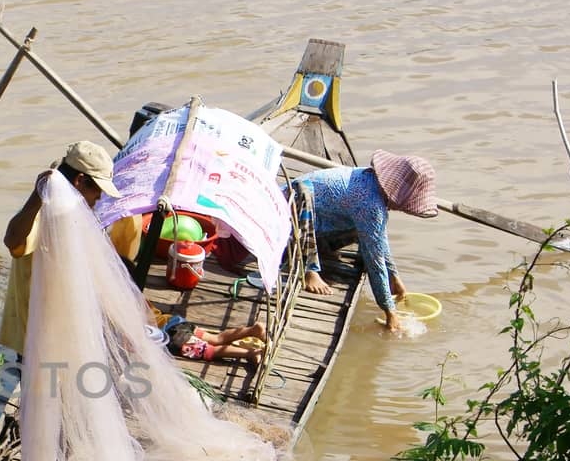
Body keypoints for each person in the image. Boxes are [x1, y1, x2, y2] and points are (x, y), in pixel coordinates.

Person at [0, 141, 129, 355]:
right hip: (36, 330)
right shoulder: (44, 212)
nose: (99, 197)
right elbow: (12, 240)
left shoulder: (73, 210)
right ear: (80, 181)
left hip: (61, 325)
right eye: (97, 189)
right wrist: (37, 194)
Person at [289, 150, 438, 333]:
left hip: (312, 213)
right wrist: (389, 311)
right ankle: (308, 268)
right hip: (290, 219)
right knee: (368, 238)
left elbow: (379, 236)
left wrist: (394, 275)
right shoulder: (370, 205)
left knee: (368, 231)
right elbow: (374, 261)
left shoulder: (368, 180)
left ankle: (320, 249)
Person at [167, 319, 266, 366]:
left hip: (174, 336)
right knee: (216, 339)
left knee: (209, 350)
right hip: (175, 321)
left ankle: (251, 353)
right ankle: (253, 330)